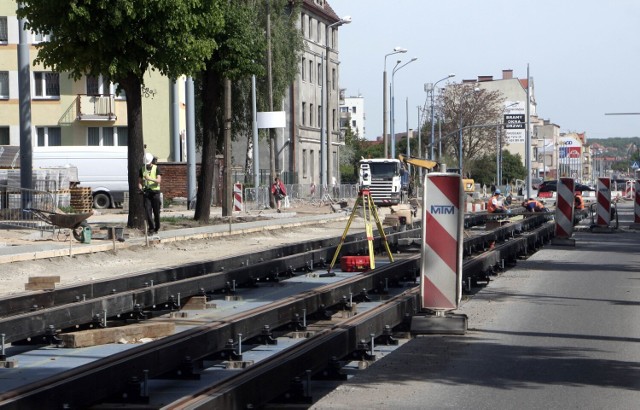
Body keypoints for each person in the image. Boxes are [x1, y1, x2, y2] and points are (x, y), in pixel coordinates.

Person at [139, 152, 162, 234]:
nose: (147, 165)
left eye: (148, 163)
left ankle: (157, 227)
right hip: (147, 193)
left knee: (156, 212)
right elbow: (140, 182)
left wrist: (150, 179)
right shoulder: (142, 169)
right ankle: (151, 229)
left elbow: (159, 181)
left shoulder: (156, 168)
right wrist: (140, 187)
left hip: (155, 193)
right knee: (148, 212)